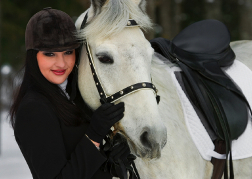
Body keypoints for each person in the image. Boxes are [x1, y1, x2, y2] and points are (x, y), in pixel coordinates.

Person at [9, 7, 129, 179]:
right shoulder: (33, 108)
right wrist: (94, 134)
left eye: (68, 52)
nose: (61, 63)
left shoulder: (70, 96)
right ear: (33, 57)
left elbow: (79, 162)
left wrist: (111, 159)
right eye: (50, 54)